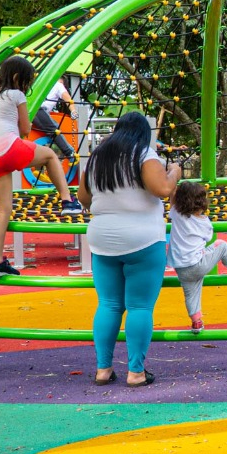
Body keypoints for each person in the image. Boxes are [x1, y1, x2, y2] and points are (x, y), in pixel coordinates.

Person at [77, 112, 181, 388]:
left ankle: (103, 369)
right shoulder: (143, 153)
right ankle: (135, 371)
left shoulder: (98, 155)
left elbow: (83, 197)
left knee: (109, 304)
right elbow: (162, 188)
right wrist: (175, 173)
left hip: (102, 239)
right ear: (143, 133)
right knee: (139, 306)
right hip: (142, 239)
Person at [0, 56, 83, 277]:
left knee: (2, 210)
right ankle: (67, 200)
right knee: (50, 156)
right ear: (17, 78)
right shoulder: (17, 94)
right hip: (9, 147)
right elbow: (26, 128)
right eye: (26, 81)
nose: (27, 86)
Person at [168, 182, 227, 334]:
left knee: (191, 294)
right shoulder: (204, 222)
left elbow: (172, 198)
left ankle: (196, 321)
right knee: (221, 245)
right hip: (198, 264)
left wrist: (174, 181)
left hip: (180, 268)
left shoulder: (176, 214)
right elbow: (208, 238)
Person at [31, 77, 77, 160]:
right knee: (54, 129)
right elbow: (67, 98)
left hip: (30, 108)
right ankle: (70, 153)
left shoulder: (42, 81)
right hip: (38, 109)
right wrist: (73, 111)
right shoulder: (58, 84)